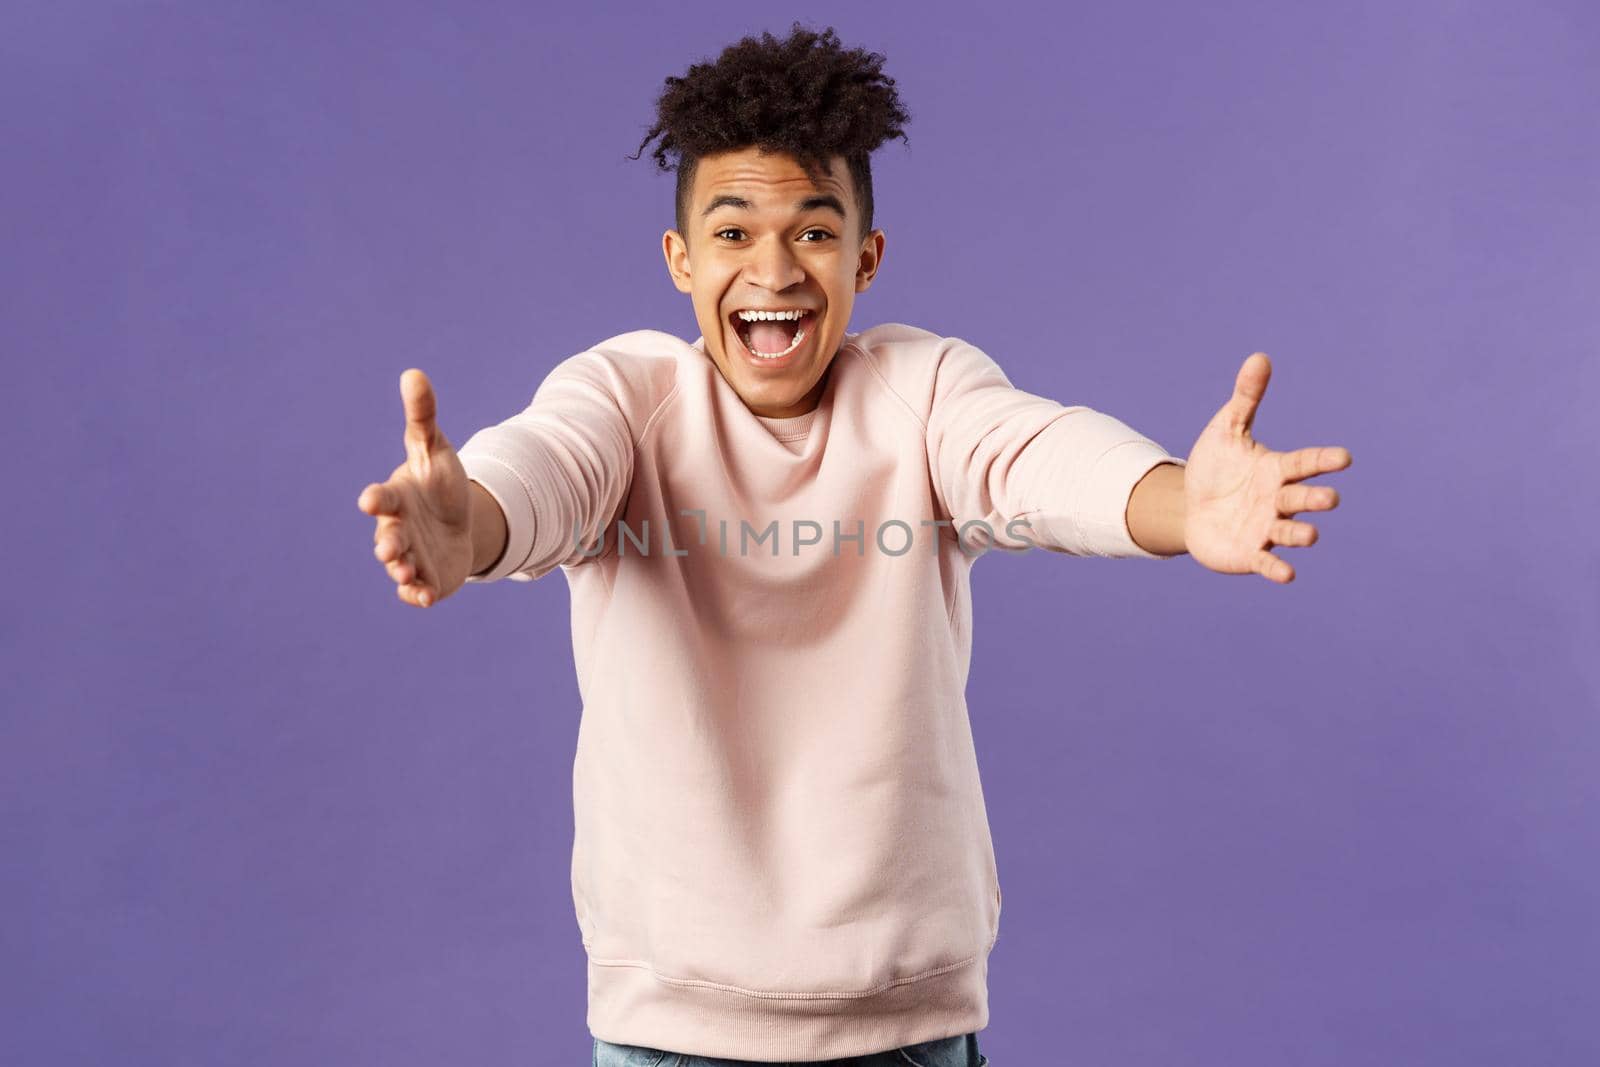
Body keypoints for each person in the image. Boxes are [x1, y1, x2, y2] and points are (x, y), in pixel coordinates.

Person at [355, 23, 1351, 1067]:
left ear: (866, 258)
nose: (773, 268)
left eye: (814, 232)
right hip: (670, 1030)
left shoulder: (919, 392)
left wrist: (1184, 504)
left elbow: (1034, 454)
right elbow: (547, 470)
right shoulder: (626, 396)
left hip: (906, 1025)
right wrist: (468, 520)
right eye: (733, 232)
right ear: (680, 259)